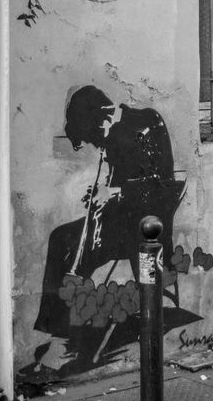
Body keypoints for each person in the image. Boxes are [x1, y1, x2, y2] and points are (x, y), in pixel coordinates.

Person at [28, 86, 186, 377]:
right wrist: (101, 201)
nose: (96, 143)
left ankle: (68, 342)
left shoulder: (147, 122)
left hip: (146, 226)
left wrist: (113, 194)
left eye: (93, 136)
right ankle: (59, 333)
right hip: (117, 221)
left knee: (81, 246)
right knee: (61, 237)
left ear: (102, 118)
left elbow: (156, 186)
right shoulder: (110, 134)